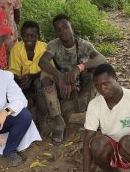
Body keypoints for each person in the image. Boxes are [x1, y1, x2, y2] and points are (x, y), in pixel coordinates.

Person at [38, 14, 107, 144]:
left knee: (98, 71)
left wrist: (79, 68)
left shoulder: (84, 45)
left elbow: (102, 59)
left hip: (81, 83)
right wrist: (60, 76)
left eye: (65, 27)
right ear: (55, 32)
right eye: (58, 29)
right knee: (45, 75)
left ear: (72, 27)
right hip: (62, 86)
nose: (62, 31)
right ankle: (59, 120)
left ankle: (91, 112)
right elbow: (42, 62)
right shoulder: (54, 45)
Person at [8, 21, 48, 128]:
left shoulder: (45, 48)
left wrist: (32, 76)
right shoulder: (16, 49)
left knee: (39, 82)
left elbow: (49, 69)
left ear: (38, 36)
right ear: (21, 35)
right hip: (24, 82)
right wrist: (20, 79)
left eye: (32, 36)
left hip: (39, 80)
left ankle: (43, 118)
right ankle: (28, 115)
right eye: (25, 36)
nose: (29, 39)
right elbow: (13, 71)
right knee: (14, 84)